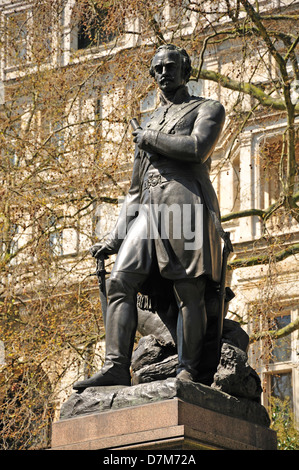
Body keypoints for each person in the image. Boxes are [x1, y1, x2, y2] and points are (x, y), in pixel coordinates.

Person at [73, 44, 225, 391]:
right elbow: (135, 190)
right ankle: (115, 366)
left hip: (185, 204)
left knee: (188, 290)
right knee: (119, 281)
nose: (163, 73)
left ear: (186, 71)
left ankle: (188, 369)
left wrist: (149, 138)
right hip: (150, 211)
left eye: (170, 66)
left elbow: (198, 148)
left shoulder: (207, 108)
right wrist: (114, 237)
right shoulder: (149, 121)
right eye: (156, 68)